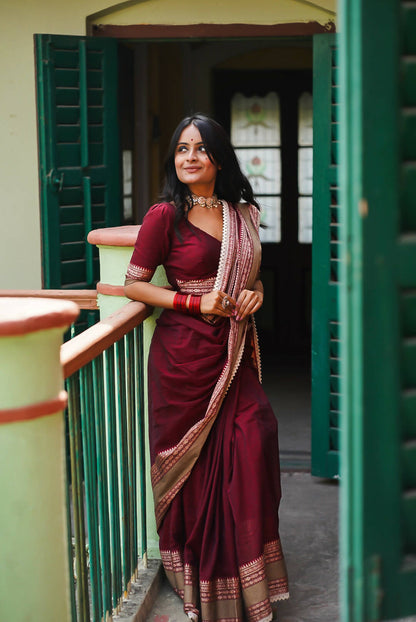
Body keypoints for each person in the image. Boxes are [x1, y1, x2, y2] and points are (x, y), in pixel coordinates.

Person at [124, 114, 289, 622]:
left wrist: (255, 295)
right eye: (181, 149)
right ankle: (202, 574)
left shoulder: (245, 215)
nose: (190, 157)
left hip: (233, 352)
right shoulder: (163, 216)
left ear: (219, 157)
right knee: (194, 472)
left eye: (200, 148)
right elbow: (135, 284)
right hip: (183, 358)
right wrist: (195, 305)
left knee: (254, 441)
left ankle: (246, 573)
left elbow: (255, 280)